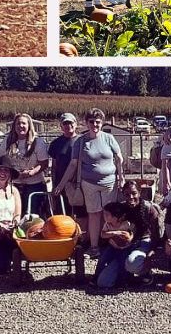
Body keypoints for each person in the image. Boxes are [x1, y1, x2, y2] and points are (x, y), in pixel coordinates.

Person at [55, 108, 124, 256]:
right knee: (93, 214)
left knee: (110, 215)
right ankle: (94, 246)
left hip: (109, 183)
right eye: (91, 122)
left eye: (98, 122)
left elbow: (119, 158)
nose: (95, 125)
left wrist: (121, 177)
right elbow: (73, 164)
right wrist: (61, 184)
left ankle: (110, 244)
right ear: (86, 123)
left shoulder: (108, 138)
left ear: (102, 123)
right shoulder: (81, 141)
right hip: (88, 183)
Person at [96, 179, 160, 289]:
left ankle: (145, 272)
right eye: (127, 194)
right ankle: (126, 275)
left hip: (143, 242)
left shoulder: (149, 209)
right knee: (103, 282)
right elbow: (107, 229)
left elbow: (156, 236)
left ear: (140, 193)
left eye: (134, 193)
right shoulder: (120, 209)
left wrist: (151, 254)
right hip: (123, 246)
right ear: (123, 195)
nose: (131, 197)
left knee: (132, 263)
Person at [2, 113, 50, 212]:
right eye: (18, 124)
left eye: (24, 123)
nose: (21, 126)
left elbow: (44, 163)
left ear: (29, 125)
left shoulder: (38, 142)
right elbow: (2, 160)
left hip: (34, 184)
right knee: (13, 212)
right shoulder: (7, 141)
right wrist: (15, 173)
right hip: (13, 184)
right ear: (14, 126)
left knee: (33, 215)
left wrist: (31, 173)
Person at [48, 113, 84, 217]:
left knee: (80, 215)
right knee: (63, 214)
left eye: (70, 123)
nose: (68, 125)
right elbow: (54, 166)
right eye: (65, 123)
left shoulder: (82, 141)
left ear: (76, 124)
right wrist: (55, 185)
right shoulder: (55, 144)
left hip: (78, 183)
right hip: (61, 185)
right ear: (61, 126)